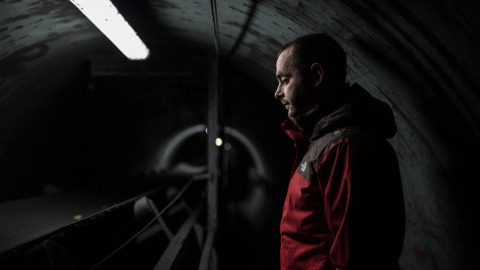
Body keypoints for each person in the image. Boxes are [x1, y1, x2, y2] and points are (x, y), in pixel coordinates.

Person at [274, 33, 405, 270]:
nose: (278, 92)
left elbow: (356, 259)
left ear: (315, 76)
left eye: (285, 80)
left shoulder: (345, 148)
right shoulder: (323, 141)